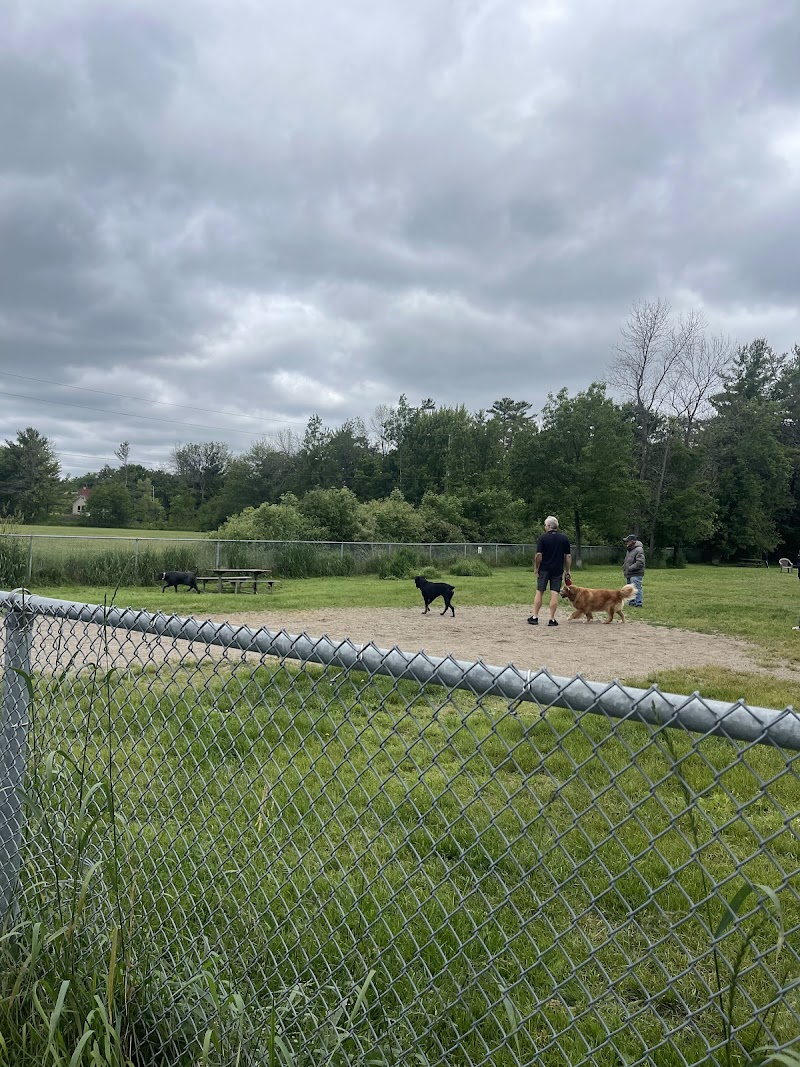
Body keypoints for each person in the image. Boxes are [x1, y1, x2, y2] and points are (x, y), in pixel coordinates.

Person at [528, 516, 572, 627]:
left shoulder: (543, 538)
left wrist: (536, 568)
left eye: (545, 525)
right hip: (557, 570)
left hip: (544, 569)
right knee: (554, 593)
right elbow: (568, 556)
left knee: (540, 591)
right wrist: (568, 570)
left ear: (548, 526)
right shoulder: (564, 539)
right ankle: (551, 619)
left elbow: (538, 555)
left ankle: (535, 617)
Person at [623, 534, 645, 606]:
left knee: (637, 588)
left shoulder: (639, 549)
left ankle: (638, 603)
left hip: (636, 573)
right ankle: (632, 602)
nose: (626, 543)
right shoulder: (629, 550)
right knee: (630, 589)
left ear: (632, 542)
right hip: (630, 573)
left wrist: (630, 568)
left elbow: (640, 562)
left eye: (627, 541)